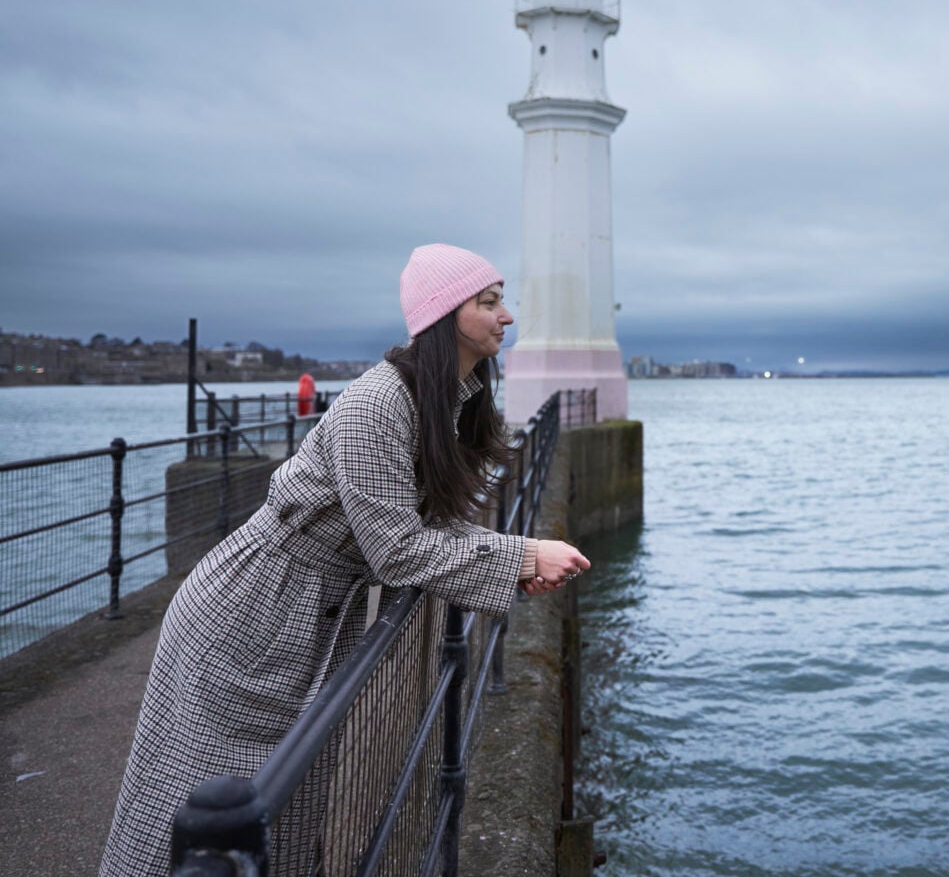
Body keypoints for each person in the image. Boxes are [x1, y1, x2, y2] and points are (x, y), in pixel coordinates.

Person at [101, 244, 589, 876]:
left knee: (284, 805)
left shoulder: (451, 396)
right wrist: (520, 554)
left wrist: (515, 565)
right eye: (490, 303)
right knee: (198, 809)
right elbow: (398, 549)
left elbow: (423, 526)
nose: (509, 317)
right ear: (445, 315)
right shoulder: (377, 404)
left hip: (305, 611)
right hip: (250, 614)